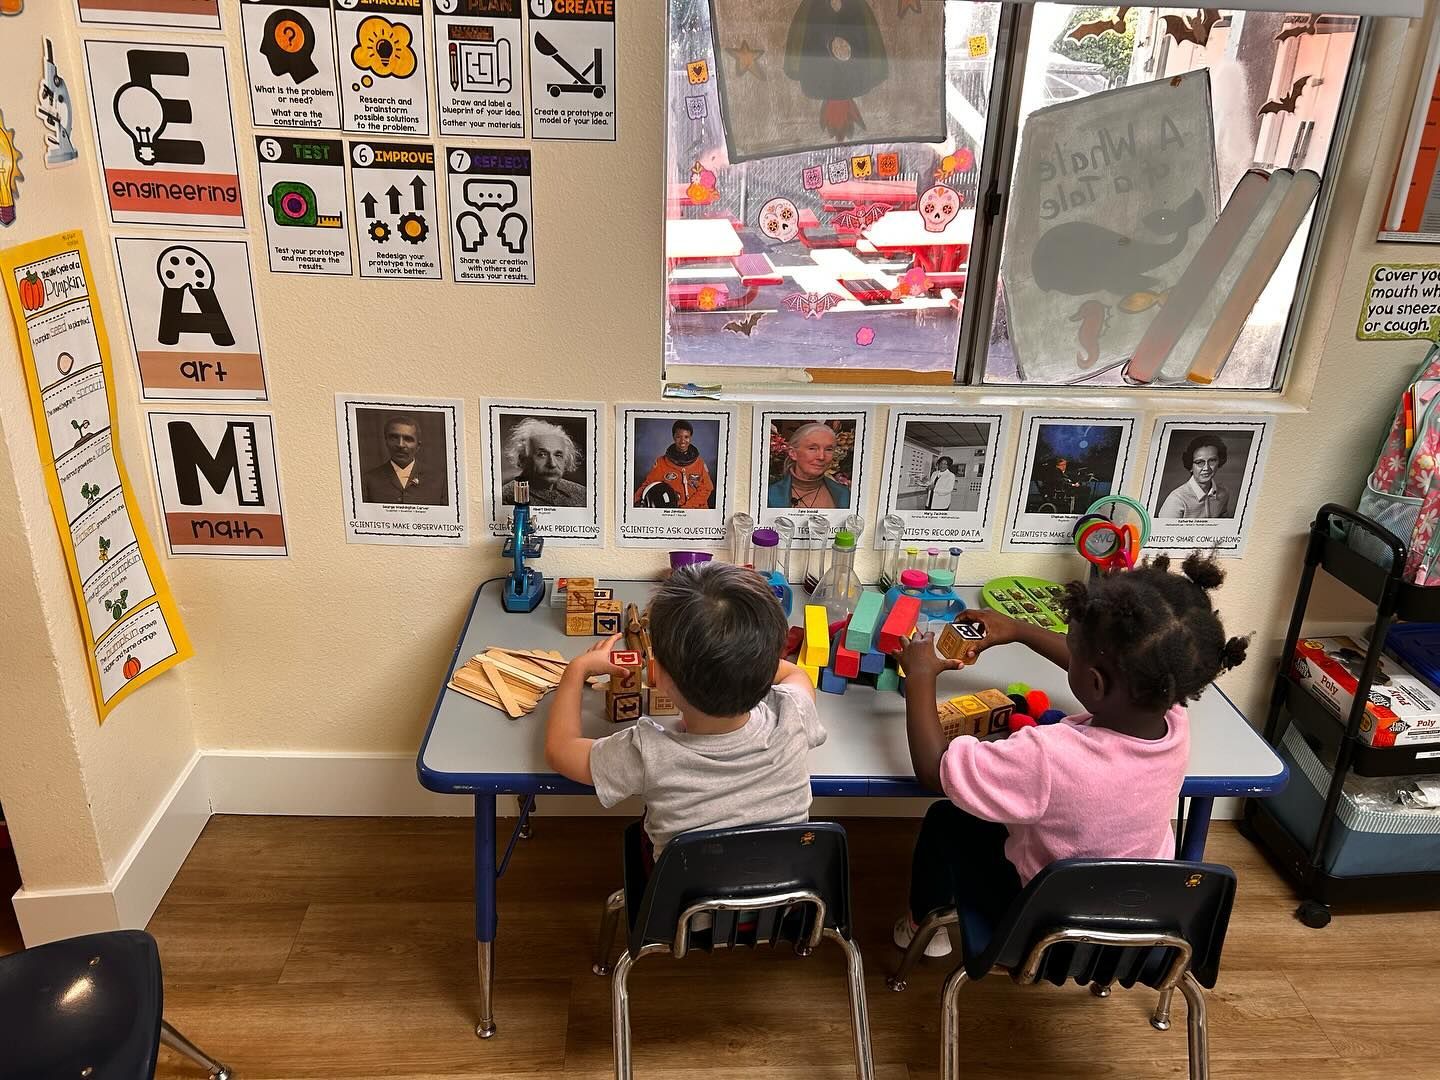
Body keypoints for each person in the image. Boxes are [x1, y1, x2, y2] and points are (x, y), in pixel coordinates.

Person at [890, 553, 1248, 958]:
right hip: (1134, 923)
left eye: (1074, 651)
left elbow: (934, 770)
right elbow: (1113, 668)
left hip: (1041, 930)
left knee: (946, 818)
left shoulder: (1047, 756)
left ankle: (922, 927)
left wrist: (920, 677)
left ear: (1095, 682)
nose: (1069, 655)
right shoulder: (1172, 718)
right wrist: (1019, 630)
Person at [544, 562, 825, 860]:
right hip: (785, 902)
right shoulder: (791, 715)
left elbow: (559, 750)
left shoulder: (648, 751)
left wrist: (576, 670)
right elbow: (797, 676)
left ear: (659, 676)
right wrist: (748, 663)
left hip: (684, 904)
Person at [360, 414, 447, 505]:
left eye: (408, 439)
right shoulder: (368, 480)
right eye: (394, 437)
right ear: (386, 441)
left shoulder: (440, 480)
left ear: (418, 446)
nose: (400, 445)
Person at [502, 417, 586, 507]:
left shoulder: (582, 493)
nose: (552, 464)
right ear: (522, 459)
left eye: (558, 455)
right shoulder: (505, 498)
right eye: (542, 455)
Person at [767, 422, 852, 509]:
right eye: (812, 448)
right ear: (793, 453)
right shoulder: (769, 495)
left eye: (828, 449)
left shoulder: (843, 495)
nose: (821, 457)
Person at [635, 419, 715, 509]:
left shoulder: (699, 463)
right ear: (673, 437)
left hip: (698, 510)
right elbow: (649, 484)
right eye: (678, 437)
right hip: (674, 511)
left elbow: (707, 488)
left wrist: (688, 507)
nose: (683, 441)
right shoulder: (662, 462)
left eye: (686, 437)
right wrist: (636, 501)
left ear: (690, 437)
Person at [1158, 434, 1231, 519]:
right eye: (1199, 462)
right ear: (1191, 467)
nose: (1206, 468)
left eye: (1212, 461)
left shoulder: (1224, 493)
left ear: (1219, 462)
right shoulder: (1176, 500)